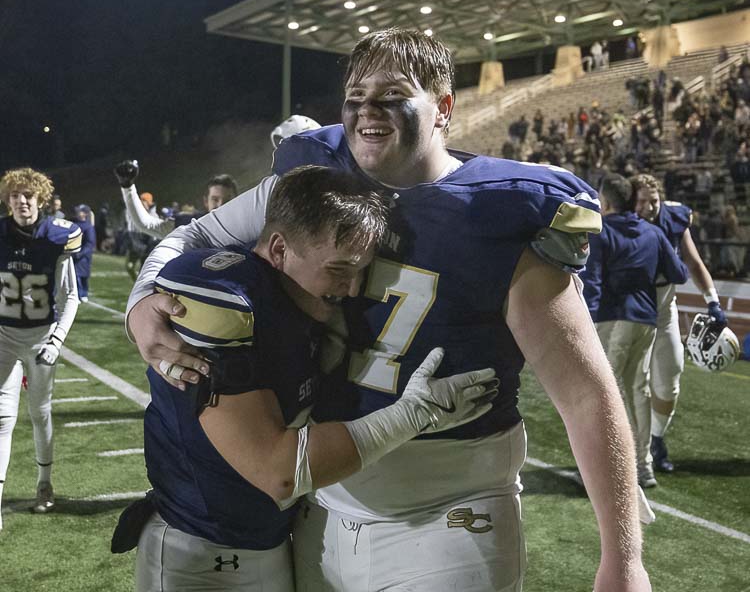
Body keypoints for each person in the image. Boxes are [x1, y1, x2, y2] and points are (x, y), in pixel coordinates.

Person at [125, 29, 651, 591]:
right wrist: (140, 303)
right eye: (355, 95)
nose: (366, 111)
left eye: (391, 94)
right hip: (320, 512)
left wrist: (623, 556)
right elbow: (194, 237)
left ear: (443, 108)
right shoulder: (315, 175)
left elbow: (586, 393)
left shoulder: (504, 212)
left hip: (450, 510)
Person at [126, 165, 497, 591]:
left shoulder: (292, 297)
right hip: (196, 554)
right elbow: (279, 470)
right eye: (340, 270)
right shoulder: (226, 301)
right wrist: (415, 415)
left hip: (265, 543)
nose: (353, 289)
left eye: (361, 272)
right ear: (280, 250)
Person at [581, 174, 688, 488]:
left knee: (603, 396)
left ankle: (608, 468)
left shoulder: (601, 231)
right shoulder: (653, 233)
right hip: (646, 321)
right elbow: (679, 273)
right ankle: (643, 466)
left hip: (612, 320)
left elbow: (594, 283)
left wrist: (586, 325)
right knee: (638, 393)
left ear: (607, 201)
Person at [0, 168, 81, 529]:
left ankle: (44, 482)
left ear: (41, 200)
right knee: (3, 418)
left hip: (39, 338)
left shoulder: (57, 237)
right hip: (3, 336)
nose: (22, 201)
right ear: (7, 200)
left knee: (40, 413)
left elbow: (72, 297)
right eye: (16, 195)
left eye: (29, 196)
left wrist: (56, 340)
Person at [631, 174, 728, 473]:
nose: (648, 207)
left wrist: (712, 300)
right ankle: (633, 449)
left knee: (670, 380)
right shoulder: (620, 219)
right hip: (629, 309)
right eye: (642, 201)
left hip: (663, 308)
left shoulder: (673, 217)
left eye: (653, 200)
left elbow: (695, 262)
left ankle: (657, 439)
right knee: (632, 385)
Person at [116, 162, 239, 238]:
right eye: (215, 199)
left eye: (228, 200)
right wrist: (128, 187)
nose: (221, 204)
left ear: (237, 202)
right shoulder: (192, 224)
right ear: (206, 202)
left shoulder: (248, 228)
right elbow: (147, 224)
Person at [72, 204, 96, 302]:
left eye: (80, 211)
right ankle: (78, 294)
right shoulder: (73, 224)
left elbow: (90, 243)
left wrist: (81, 253)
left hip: (84, 257)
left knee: (83, 276)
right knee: (75, 276)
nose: (78, 213)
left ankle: (84, 293)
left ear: (85, 214)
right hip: (74, 255)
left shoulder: (88, 227)